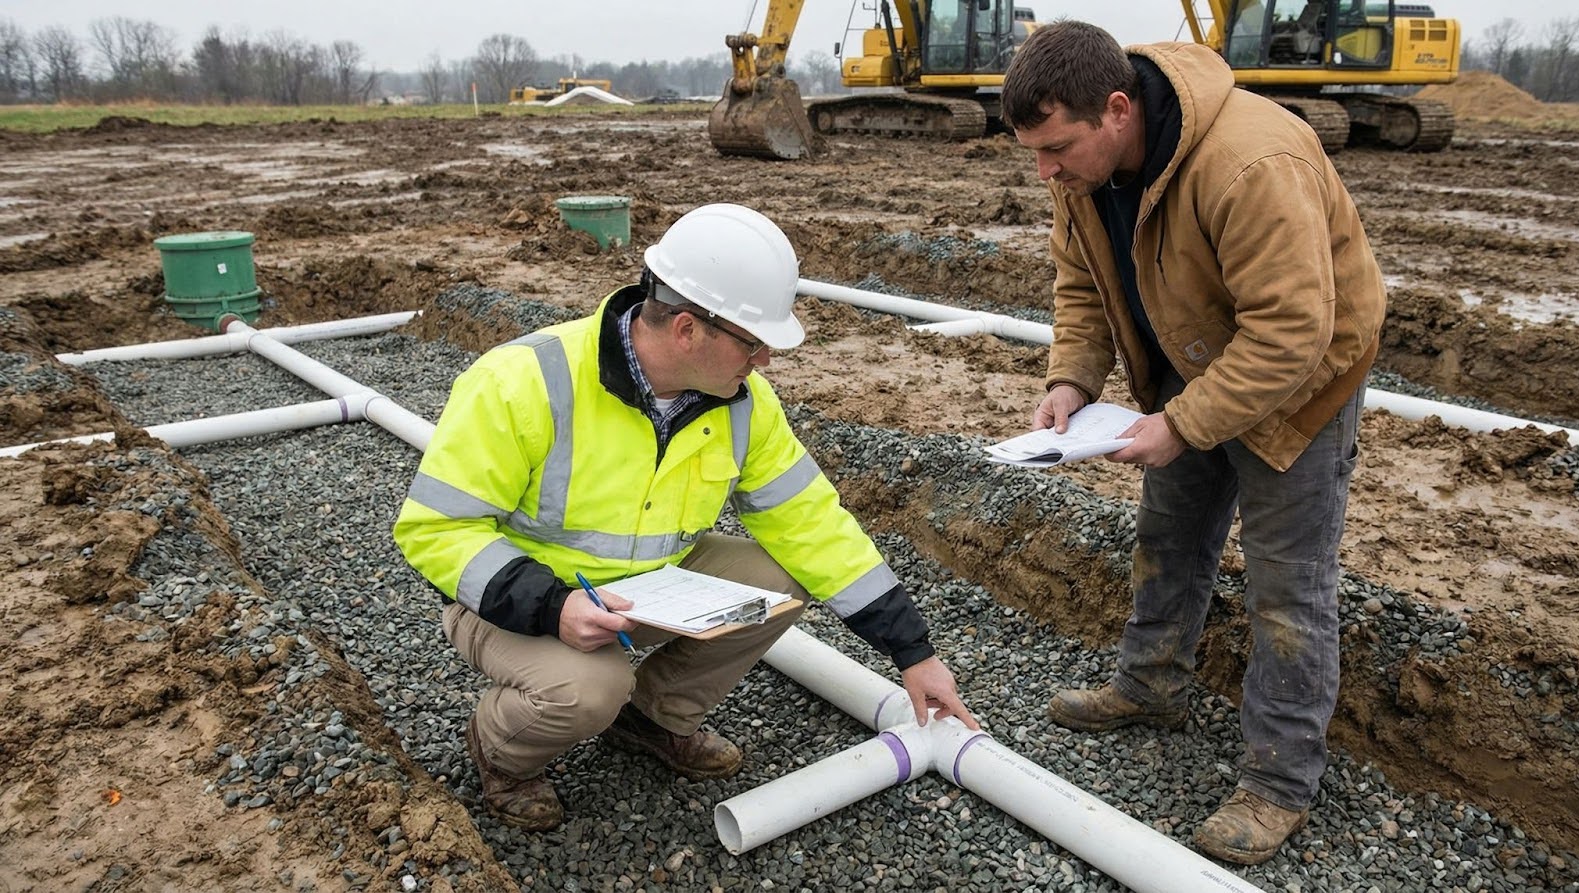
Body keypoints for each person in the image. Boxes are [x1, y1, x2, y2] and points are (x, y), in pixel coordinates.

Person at [393, 202, 978, 831]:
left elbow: (813, 524)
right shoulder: (523, 381)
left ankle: (654, 718)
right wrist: (553, 606)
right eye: (753, 343)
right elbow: (437, 529)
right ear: (687, 330)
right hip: (521, 604)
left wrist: (912, 652)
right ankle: (503, 754)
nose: (764, 360)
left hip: (647, 589)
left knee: (785, 577)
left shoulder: (743, 405)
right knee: (590, 689)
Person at [1000, 21, 1384, 864]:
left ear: (1116, 109)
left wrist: (1181, 423)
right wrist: (1072, 379)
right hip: (1194, 350)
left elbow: (1292, 332)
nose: (1045, 172)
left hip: (1302, 380)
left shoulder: (1251, 162)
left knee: (1288, 583)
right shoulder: (1081, 173)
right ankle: (1151, 685)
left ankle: (1279, 779)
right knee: (1169, 535)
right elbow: (1082, 283)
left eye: (1056, 149)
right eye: (1034, 153)